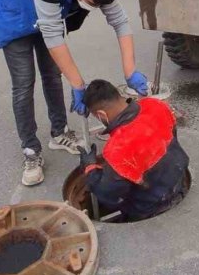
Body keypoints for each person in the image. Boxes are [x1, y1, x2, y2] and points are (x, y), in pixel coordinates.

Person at [0, 0, 148, 187]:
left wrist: (130, 71)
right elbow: (53, 36)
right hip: (13, 15)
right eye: (92, 4)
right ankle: (31, 150)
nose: (95, 8)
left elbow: (120, 22)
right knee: (24, 83)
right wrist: (78, 85)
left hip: (47, 14)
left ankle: (59, 133)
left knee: (52, 75)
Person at [78, 79, 190, 222]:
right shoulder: (155, 105)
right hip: (177, 179)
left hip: (150, 206)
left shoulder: (117, 148)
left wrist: (90, 168)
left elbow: (110, 195)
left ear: (101, 114)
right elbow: (171, 136)